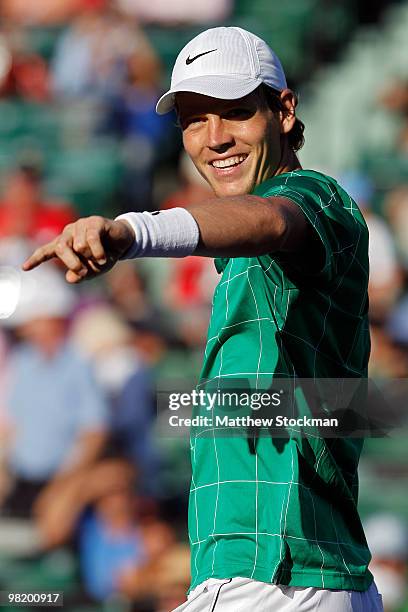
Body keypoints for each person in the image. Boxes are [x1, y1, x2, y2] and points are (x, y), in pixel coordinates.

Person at [23, 27, 383, 612]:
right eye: (194, 120)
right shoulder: (251, 258)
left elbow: (266, 220)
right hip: (304, 578)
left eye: (235, 113)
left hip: (272, 577)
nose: (214, 139)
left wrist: (131, 231)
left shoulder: (314, 197)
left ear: (284, 111)